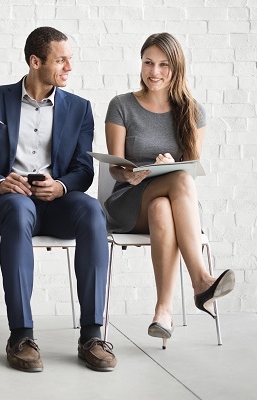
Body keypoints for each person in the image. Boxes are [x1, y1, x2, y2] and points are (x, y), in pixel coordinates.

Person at [0, 27, 115, 372]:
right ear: (35, 62)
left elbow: (83, 168)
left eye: (69, 60)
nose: (69, 67)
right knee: (19, 210)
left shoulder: (80, 108)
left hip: (57, 203)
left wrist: (61, 186)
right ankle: (21, 335)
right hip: (9, 203)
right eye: (61, 59)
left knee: (92, 210)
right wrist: (0, 183)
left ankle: (92, 335)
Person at [104, 32, 235, 349]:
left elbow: (192, 168)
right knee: (177, 182)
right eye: (148, 62)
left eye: (163, 64)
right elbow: (114, 167)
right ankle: (202, 280)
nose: (154, 71)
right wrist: (130, 174)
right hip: (130, 201)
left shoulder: (192, 111)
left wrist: (173, 163)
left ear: (176, 68)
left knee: (164, 205)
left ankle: (163, 312)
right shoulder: (122, 105)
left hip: (175, 205)